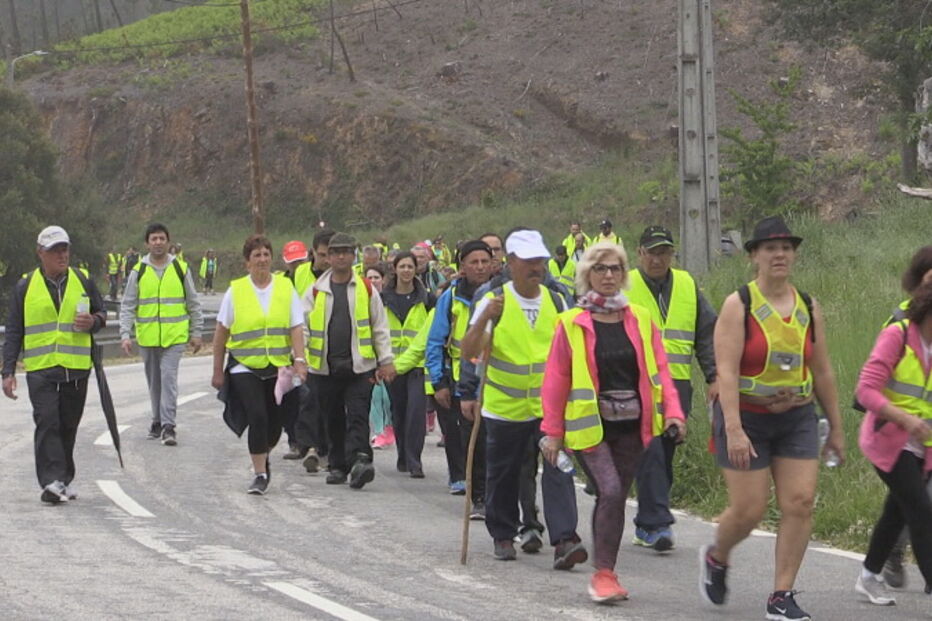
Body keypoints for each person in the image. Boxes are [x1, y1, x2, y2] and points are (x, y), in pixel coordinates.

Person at [699, 216, 845, 621]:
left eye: (786, 248)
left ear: (794, 255)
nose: (779, 255)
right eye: (770, 248)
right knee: (749, 511)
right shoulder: (739, 305)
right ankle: (717, 555)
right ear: (754, 256)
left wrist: (836, 427)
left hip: (797, 416)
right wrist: (733, 429)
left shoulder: (808, 306)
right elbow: (726, 372)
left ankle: (781, 595)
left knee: (800, 502)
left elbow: (822, 370)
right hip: (746, 417)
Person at [540, 240, 686, 602]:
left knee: (617, 496)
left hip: (634, 426)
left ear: (623, 274)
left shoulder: (640, 318)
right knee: (610, 490)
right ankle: (602, 575)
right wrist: (553, 432)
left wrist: (673, 411)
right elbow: (556, 380)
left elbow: (661, 369)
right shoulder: (571, 323)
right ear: (586, 275)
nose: (608, 275)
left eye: (615, 268)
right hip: (591, 427)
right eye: (600, 268)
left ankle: (607, 572)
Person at [461, 229, 587, 567]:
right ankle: (503, 534)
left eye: (540, 261)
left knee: (558, 468)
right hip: (505, 407)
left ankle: (565, 539)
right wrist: (484, 319)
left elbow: (572, 352)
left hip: (548, 408)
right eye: (529, 261)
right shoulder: (494, 301)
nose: (537, 267)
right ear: (512, 263)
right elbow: (469, 351)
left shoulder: (557, 301)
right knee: (503, 473)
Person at [625, 225, 718, 551]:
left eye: (664, 252)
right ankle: (657, 524)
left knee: (663, 455)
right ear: (640, 253)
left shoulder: (687, 285)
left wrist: (714, 376)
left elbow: (706, 334)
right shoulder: (624, 285)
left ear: (672, 255)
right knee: (648, 450)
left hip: (676, 386)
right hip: (634, 384)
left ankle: (646, 523)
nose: (658, 259)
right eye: (652, 252)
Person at [2, 226, 108, 504]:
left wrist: (93, 321)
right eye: (55, 251)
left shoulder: (83, 280)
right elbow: (14, 330)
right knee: (47, 421)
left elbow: (102, 313)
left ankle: (63, 479)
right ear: (41, 253)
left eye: (65, 249)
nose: (62, 255)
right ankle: (51, 481)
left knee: (68, 425)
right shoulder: (25, 286)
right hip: (41, 369)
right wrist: (8, 371)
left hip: (76, 367)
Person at [854, 279, 932, 606]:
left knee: (897, 511)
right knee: (920, 509)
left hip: (924, 446)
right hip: (887, 441)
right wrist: (905, 419)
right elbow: (865, 391)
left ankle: (869, 575)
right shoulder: (897, 336)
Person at [211, 235, 307, 494]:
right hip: (245, 365)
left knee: (275, 423)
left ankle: (263, 455)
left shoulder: (285, 288)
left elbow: (296, 327)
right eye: (257, 255)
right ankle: (260, 474)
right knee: (257, 415)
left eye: (266, 254)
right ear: (247, 262)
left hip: (278, 366)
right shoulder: (236, 291)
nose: (262, 260)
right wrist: (217, 370)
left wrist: (300, 360)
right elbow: (221, 332)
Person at [303, 232, 396, 489]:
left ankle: (360, 460)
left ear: (353, 256)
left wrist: (386, 360)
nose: (341, 257)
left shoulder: (366, 289)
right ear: (329, 257)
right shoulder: (315, 291)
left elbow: (380, 326)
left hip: (360, 366)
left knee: (357, 415)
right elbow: (303, 327)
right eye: (336, 252)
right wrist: (300, 359)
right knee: (332, 417)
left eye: (346, 252)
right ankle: (337, 466)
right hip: (325, 368)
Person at [877, 245, 932, 587]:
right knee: (916, 500)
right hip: (902, 431)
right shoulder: (900, 322)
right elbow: (875, 379)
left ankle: (891, 553)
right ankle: (894, 553)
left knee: (913, 501)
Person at [120, 224, 203, 446]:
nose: (158, 242)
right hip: (147, 338)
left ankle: (168, 426)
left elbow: (193, 303)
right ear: (147, 243)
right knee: (154, 382)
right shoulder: (138, 271)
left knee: (168, 379)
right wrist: (125, 334)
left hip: (174, 337)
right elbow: (128, 305)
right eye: (154, 239)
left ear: (168, 242)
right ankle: (156, 421)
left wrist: (196, 332)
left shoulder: (180, 269)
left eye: (161, 238)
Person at [427, 240, 493, 501]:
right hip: (460, 382)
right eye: (474, 262)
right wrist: (438, 381)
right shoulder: (451, 297)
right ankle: (477, 496)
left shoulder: (501, 295)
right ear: (462, 266)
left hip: (497, 382)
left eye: (485, 261)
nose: (480, 267)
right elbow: (435, 340)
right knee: (470, 443)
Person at [382, 252, 435, 477]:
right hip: (392, 366)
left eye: (410, 266)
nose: (406, 270)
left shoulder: (427, 300)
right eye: (402, 266)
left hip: (418, 365)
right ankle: (403, 454)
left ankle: (415, 461)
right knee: (399, 411)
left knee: (416, 412)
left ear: (416, 270)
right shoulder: (383, 299)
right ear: (395, 269)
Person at [291, 230, 335, 470]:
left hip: (335, 352)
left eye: (330, 255)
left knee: (328, 402)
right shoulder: (300, 274)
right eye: (322, 255)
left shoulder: (344, 277)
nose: (327, 260)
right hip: (306, 348)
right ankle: (308, 447)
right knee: (307, 398)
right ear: (313, 253)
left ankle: (325, 448)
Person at [366, 264, 395, 450]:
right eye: (369, 278)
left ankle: (388, 428)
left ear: (383, 280)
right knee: (376, 396)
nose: (373, 281)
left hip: (389, 356)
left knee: (387, 397)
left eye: (376, 277)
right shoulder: (362, 299)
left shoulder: (389, 300)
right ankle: (380, 431)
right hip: (368, 356)